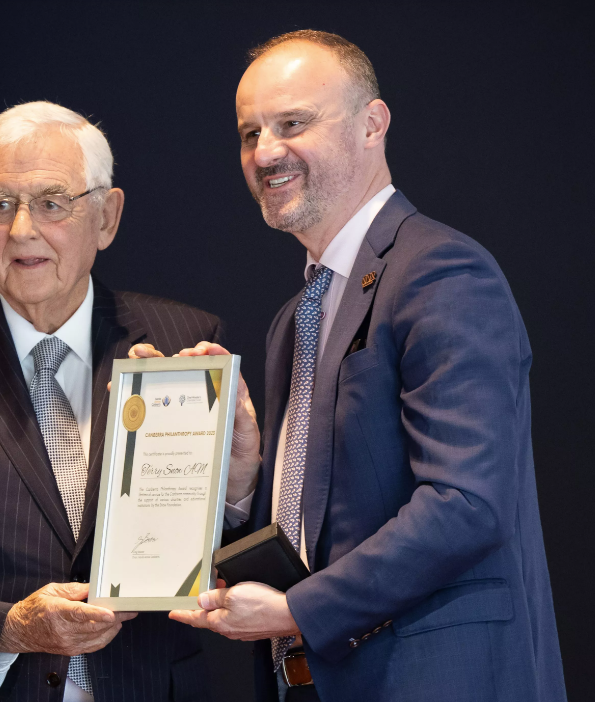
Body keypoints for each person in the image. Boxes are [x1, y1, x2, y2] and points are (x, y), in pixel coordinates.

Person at [138, 31, 566, 702]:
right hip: (310, 682)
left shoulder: (440, 273)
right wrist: (244, 472)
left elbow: (466, 504)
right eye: (250, 133)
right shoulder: (295, 317)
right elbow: (321, 522)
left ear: (372, 125)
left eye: (292, 124)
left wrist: (297, 610)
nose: (265, 153)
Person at [0, 101, 260, 702]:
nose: (23, 230)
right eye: (0, 205)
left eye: (52, 203)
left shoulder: (181, 347)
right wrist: (12, 629)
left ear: (107, 217)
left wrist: (238, 482)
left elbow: (222, 559)